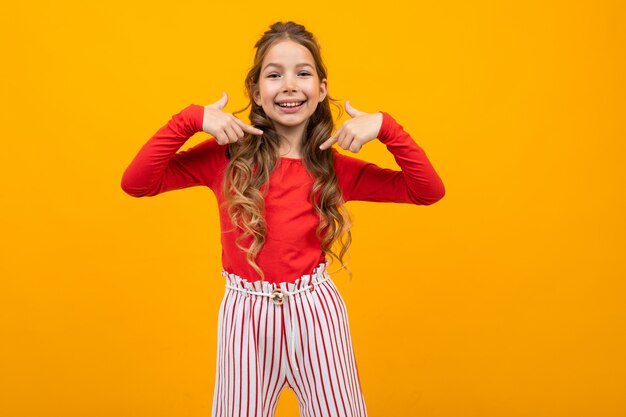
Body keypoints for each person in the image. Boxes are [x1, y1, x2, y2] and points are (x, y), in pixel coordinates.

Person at [121, 20, 445, 417]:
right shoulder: (224, 158)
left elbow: (427, 191)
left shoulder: (334, 169)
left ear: (321, 90)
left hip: (316, 316)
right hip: (245, 319)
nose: (289, 85)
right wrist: (191, 119)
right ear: (257, 93)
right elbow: (136, 183)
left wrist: (386, 127)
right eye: (275, 75)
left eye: (303, 73)